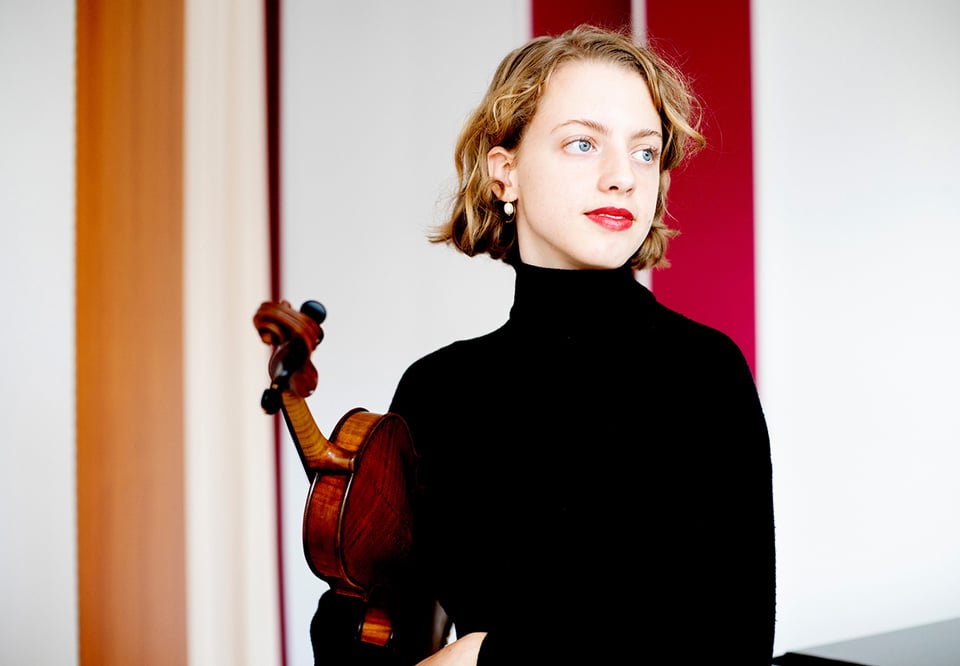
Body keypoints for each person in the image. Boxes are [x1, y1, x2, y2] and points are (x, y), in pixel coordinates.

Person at [311, 24, 775, 665]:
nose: (623, 178)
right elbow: (393, 636)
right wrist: (346, 585)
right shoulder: (437, 388)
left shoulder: (704, 372)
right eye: (583, 143)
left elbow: (730, 645)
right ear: (505, 173)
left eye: (645, 152)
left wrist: (486, 657)